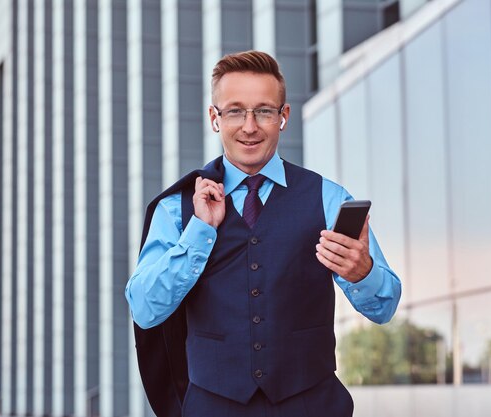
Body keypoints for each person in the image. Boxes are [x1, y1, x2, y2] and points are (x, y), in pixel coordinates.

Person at [125, 50, 401, 417]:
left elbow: (385, 307)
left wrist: (362, 273)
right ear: (214, 118)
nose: (250, 126)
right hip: (211, 407)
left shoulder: (329, 199)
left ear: (283, 117)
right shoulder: (177, 208)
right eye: (235, 110)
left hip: (312, 405)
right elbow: (144, 310)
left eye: (264, 111)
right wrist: (199, 232)